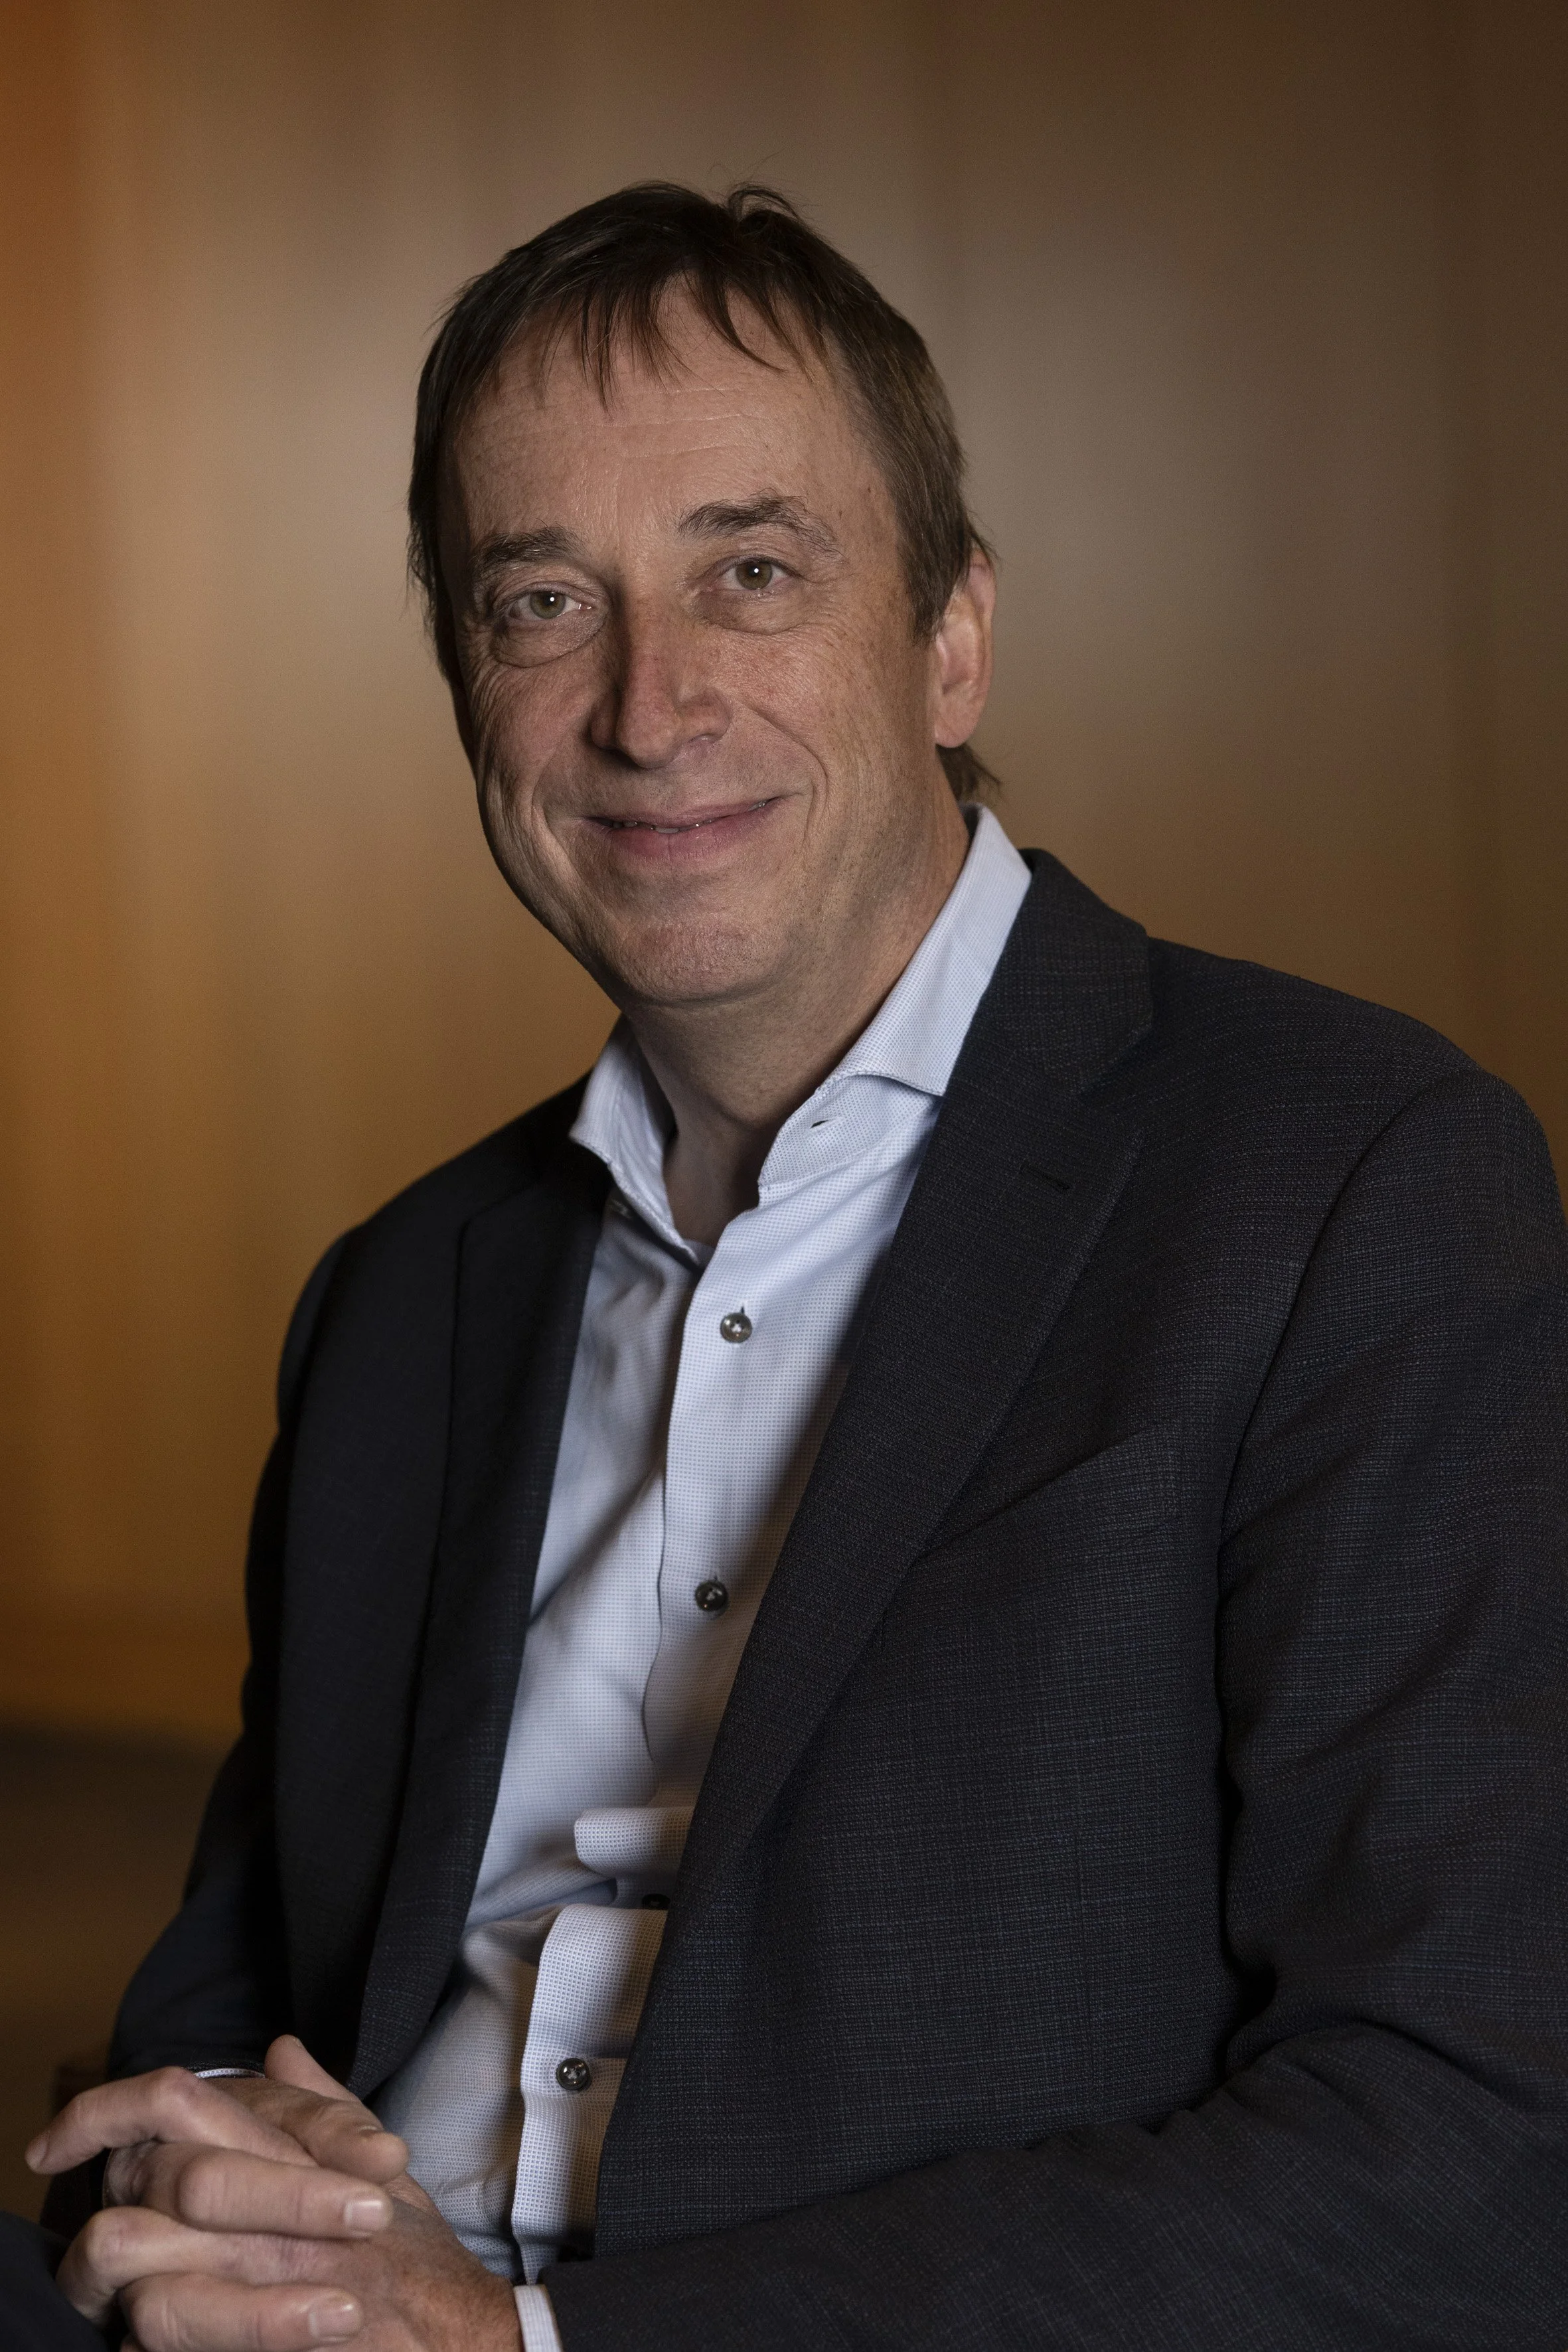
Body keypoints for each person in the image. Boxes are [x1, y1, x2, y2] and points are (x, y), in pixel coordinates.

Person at [7, 181, 1568, 2351]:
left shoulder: (1348, 1184)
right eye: (541, 601)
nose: (649, 708)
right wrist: (206, 2177)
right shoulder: (399, 1297)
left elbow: (1469, 2147)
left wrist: (522, 2345)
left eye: (751, 571)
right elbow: (221, 2013)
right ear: (465, 687)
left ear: (954, 638)